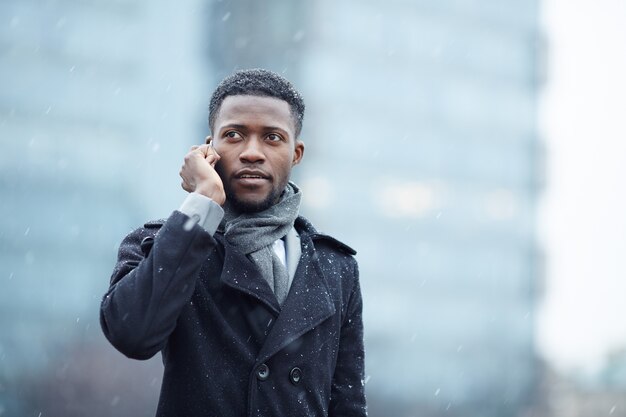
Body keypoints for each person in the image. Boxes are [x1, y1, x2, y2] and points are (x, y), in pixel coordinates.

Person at [100, 68, 367, 417]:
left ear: (296, 153)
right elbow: (132, 333)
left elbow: (348, 405)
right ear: (208, 149)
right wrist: (203, 201)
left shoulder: (337, 266)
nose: (252, 152)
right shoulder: (166, 243)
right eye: (234, 135)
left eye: (272, 137)